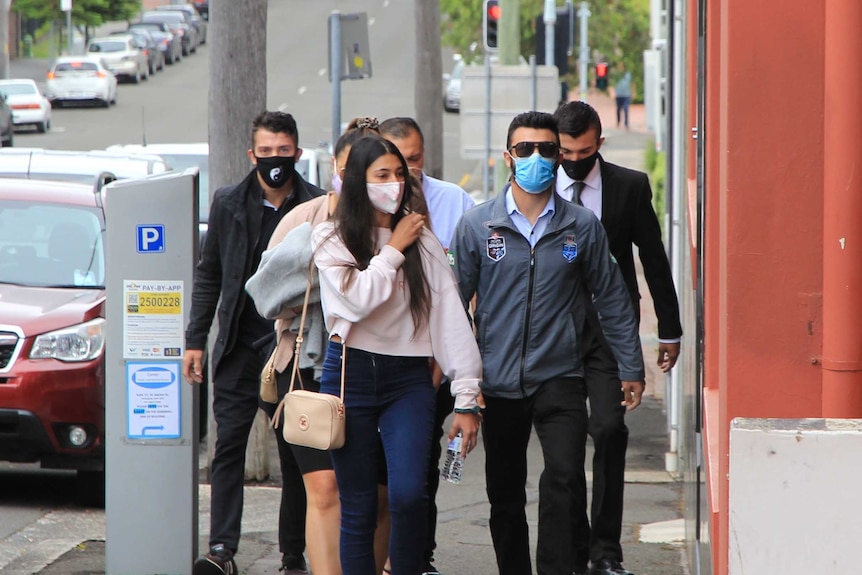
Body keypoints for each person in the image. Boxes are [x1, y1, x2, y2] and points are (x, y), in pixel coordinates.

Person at [450, 111, 645, 575]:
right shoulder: (478, 226)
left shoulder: (581, 226)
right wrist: (464, 382)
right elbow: (452, 308)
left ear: (559, 157)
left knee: (564, 480)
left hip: (561, 376)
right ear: (507, 157)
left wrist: (630, 366)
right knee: (505, 493)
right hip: (497, 381)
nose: (535, 157)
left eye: (545, 149)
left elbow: (612, 297)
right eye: (524, 149)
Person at [312, 134, 483, 575]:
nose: (393, 184)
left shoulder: (422, 241)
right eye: (381, 175)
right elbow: (354, 301)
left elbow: (449, 315)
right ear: (355, 181)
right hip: (348, 373)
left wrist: (467, 397)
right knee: (359, 505)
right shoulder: (331, 235)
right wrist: (391, 250)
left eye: (399, 175)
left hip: (408, 378)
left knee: (409, 494)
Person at [246, 117, 394, 575]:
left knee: (380, 492)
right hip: (310, 367)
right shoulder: (306, 220)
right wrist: (323, 259)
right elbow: (265, 295)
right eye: (352, 169)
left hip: (383, 370)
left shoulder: (399, 225)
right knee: (325, 488)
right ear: (337, 167)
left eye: (382, 172)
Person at [183, 111, 325, 575]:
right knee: (227, 447)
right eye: (266, 152)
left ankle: (292, 556)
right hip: (238, 346)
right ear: (252, 155)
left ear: (297, 153)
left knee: (293, 449)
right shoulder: (228, 202)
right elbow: (210, 275)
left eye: (283, 152)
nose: (275, 161)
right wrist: (196, 339)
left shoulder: (316, 205)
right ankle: (222, 550)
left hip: (289, 346)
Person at [553, 100, 682, 575]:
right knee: (563, 452)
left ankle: (606, 552)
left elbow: (653, 258)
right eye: (564, 152)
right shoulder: (539, 184)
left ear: (598, 145)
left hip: (612, 330)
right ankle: (572, 547)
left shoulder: (628, 187)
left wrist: (669, 329)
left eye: (583, 151)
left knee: (608, 430)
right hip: (556, 333)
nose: (573, 160)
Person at [378, 116, 475, 575]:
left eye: (414, 160)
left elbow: (468, 286)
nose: (407, 171)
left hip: (439, 361)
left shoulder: (455, 202)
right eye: (397, 162)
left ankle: (418, 557)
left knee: (421, 469)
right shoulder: (362, 212)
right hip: (378, 364)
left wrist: (449, 366)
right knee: (379, 477)